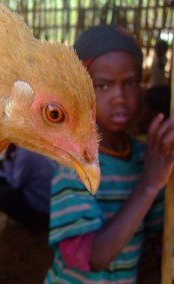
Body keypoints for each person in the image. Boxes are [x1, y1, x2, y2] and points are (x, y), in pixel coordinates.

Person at [45, 25, 174, 283]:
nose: (119, 97)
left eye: (131, 82)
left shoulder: (146, 157)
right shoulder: (73, 163)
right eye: (103, 86)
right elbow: (92, 257)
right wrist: (149, 184)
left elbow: (158, 234)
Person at [0, 144, 56, 226]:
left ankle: (36, 222)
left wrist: (7, 161)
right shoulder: (24, 148)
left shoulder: (23, 155)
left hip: (47, 199)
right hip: (49, 190)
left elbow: (16, 184)